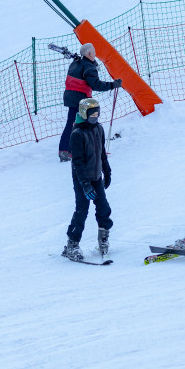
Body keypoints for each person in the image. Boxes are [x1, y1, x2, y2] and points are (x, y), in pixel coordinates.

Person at [62, 98, 113, 261]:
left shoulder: (99, 129)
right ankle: (72, 244)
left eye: (97, 113)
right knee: (82, 211)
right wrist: (85, 185)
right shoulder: (77, 134)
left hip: (96, 176)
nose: (95, 117)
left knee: (104, 209)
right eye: (92, 114)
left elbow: (102, 153)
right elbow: (77, 162)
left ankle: (103, 239)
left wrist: (107, 171)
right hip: (82, 179)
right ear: (84, 114)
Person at [58, 43, 122, 162]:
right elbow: (96, 84)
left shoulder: (76, 63)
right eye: (94, 51)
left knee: (73, 123)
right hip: (80, 98)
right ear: (90, 53)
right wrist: (113, 85)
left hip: (70, 96)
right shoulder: (89, 67)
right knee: (89, 123)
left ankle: (66, 150)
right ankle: (86, 150)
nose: (95, 54)